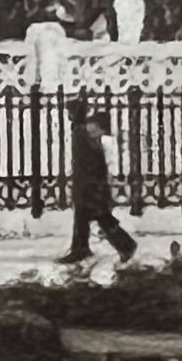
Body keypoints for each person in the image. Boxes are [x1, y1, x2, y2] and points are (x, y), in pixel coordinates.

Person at [64, 98, 136, 267]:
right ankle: (80, 249)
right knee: (84, 217)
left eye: (70, 111)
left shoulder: (81, 133)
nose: (69, 115)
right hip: (89, 183)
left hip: (90, 185)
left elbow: (90, 162)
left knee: (101, 217)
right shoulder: (82, 132)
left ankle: (126, 245)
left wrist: (89, 184)